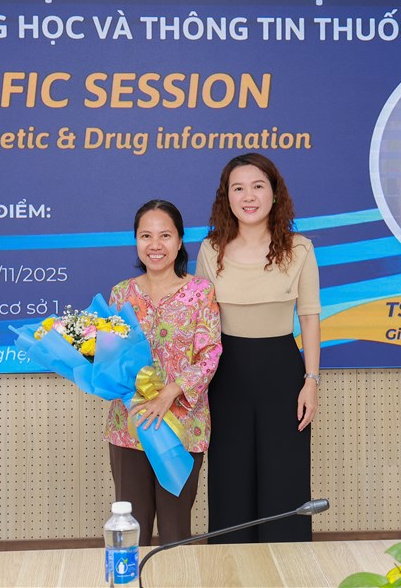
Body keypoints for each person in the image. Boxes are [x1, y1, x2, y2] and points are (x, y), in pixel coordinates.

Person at [195, 153, 321, 543]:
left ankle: (286, 567)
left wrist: (311, 381)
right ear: (227, 197)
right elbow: (200, 323)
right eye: (238, 188)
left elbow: (309, 317)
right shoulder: (210, 249)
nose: (248, 196)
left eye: (258, 186)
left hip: (282, 374)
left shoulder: (300, 249)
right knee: (229, 478)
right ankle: (230, 567)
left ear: (274, 193)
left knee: (284, 478)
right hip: (225, 376)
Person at [106, 199, 222, 546]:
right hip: (130, 427)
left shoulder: (200, 292)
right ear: (136, 240)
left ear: (180, 240)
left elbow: (210, 354)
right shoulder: (121, 294)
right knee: (132, 528)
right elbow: (109, 358)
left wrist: (171, 392)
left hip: (182, 427)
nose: (155, 245)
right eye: (146, 236)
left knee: (175, 530)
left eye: (165, 235)